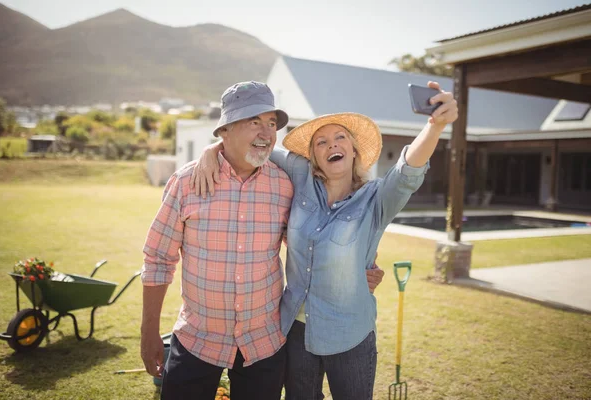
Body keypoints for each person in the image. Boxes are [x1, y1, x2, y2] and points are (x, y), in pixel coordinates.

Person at [193, 81, 458, 400]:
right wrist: (211, 150)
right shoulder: (300, 177)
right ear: (313, 157)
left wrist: (435, 126)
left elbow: (407, 173)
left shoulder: (375, 200)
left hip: (351, 334)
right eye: (321, 142)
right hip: (295, 331)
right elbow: (249, 144)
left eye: (340, 137)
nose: (332, 145)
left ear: (354, 150)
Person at [140, 81, 385, 400]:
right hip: (198, 339)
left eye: (271, 123)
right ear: (224, 130)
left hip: (264, 344)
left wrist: (355, 269)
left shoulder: (285, 185)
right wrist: (148, 333)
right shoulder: (187, 183)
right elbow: (158, 259)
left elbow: (313, 241)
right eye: (253, 121)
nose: (266, 132)